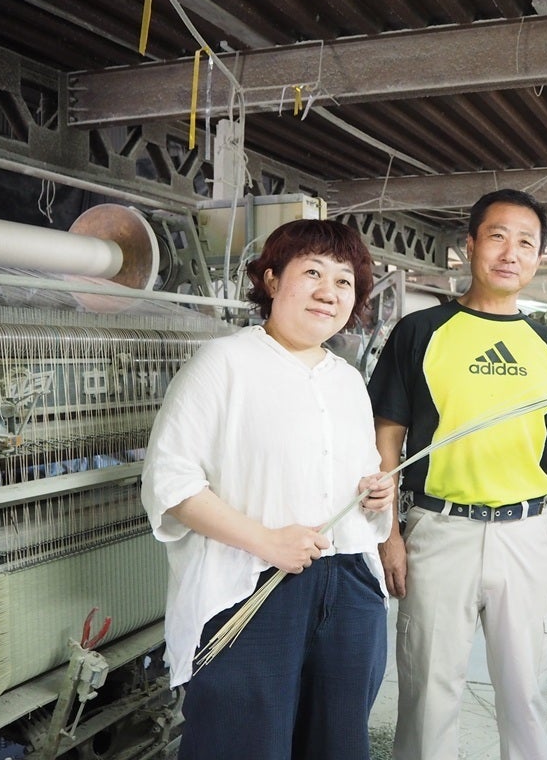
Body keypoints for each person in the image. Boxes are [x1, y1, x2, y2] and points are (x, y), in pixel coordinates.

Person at [140, 219, 395, 760]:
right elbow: (171, 481)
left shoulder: (348, 380)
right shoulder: (223, 364)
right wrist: (265, 540)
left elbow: (361, 474)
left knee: (338, 741)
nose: (329, 292)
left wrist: (376, 494)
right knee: (243, 741)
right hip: (252, 583)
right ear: (273, 280)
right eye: (313, 273)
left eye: (344, 281)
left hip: (350, 582)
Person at [367, 188, 547, 760]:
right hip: (439, 531)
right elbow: (386, 437)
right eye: (497, 236)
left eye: (526, 243)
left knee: (526, 692)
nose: (510, 253)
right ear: (469, 245)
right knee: (428, 692)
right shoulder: (420, 332)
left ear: (539, 257)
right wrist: (389, 534)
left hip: (525, 535)